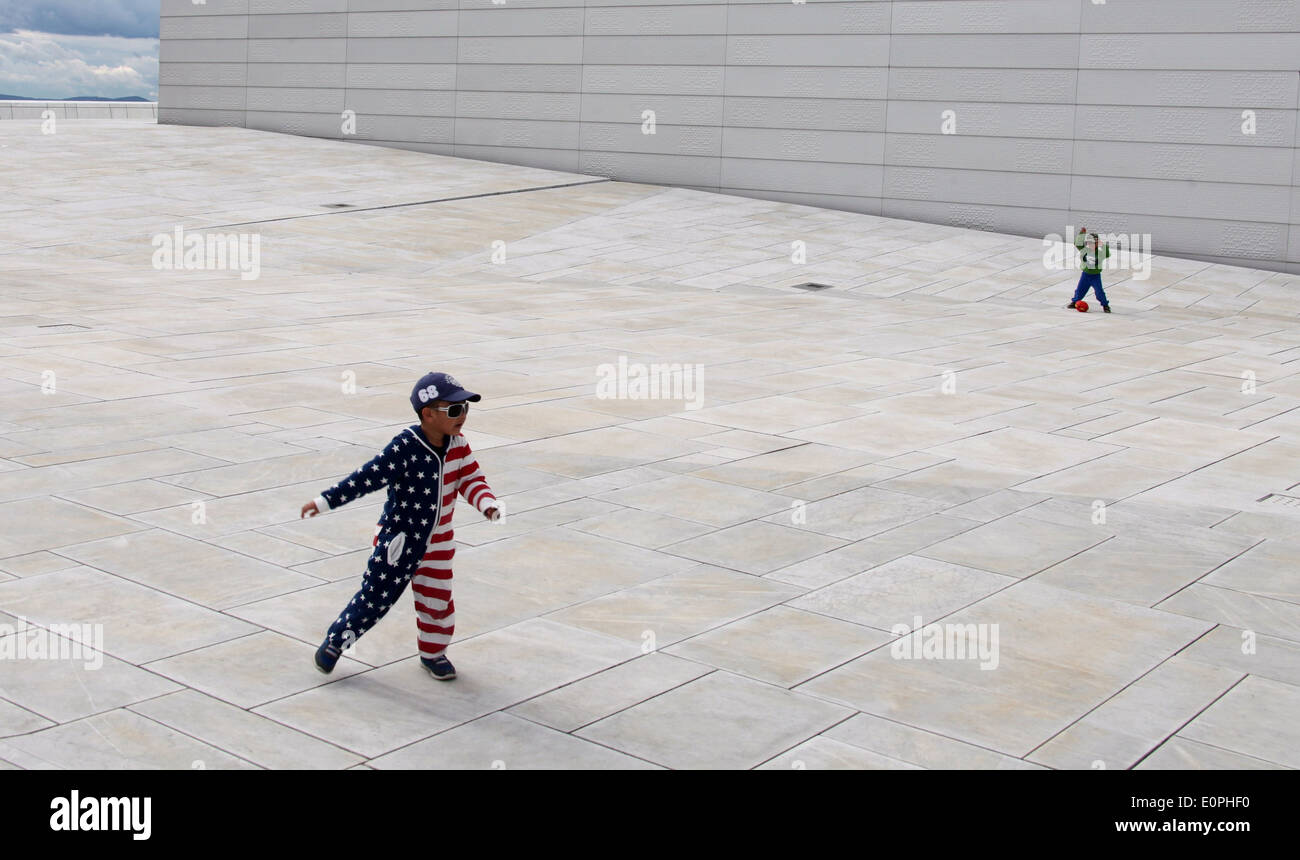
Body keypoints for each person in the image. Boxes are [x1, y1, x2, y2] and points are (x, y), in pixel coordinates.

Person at [300, 372, 499, 681]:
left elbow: (471, 479)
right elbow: (366, 478)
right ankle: (337, 641)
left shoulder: (459, 446)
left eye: (466, 409)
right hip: (400, 541)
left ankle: (434, 652)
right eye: (455, 410)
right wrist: (326, 501)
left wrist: (487, 503)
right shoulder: (405, 446)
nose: (463, 417)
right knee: (376, 596)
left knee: (437, 602)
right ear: (428, 414)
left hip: (439, 543)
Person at [1067, 226, 1113, 313]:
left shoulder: (1101, 253)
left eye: (1094, 243)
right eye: (1089, 243)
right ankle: (1075, 301)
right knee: (1080, 289)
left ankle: (1105, 305)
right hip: (1085, 274)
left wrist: (1102, 245)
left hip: (1095, 276)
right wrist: (1082, 234)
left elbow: (1107, 254)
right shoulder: (1084, 250)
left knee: (1099, 292)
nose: (1091, 245)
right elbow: (1077, 243)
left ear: (1097, 243)